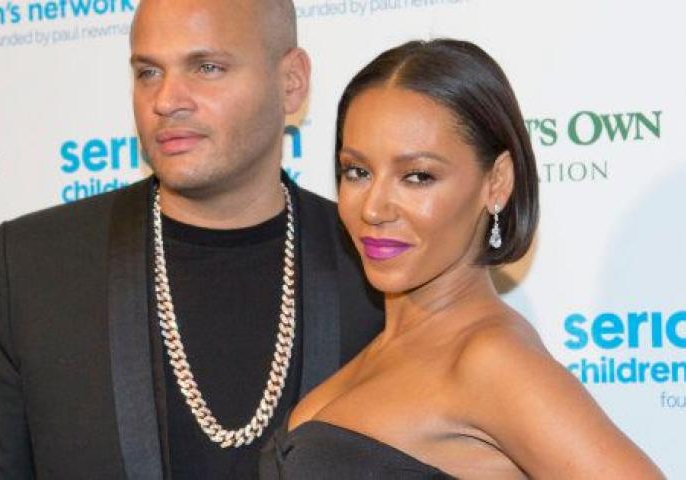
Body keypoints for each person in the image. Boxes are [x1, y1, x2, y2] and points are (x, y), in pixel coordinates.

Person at [0, 0, 383, 478]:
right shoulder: (34, 267)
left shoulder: (378, 272)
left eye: (207, 67)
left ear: (291, 82)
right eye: (148, 72)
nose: (166, 100)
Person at [260, 39, 665, 479]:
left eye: (418, 176)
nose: (373, 208)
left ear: (497, 182)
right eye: (357, 171)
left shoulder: (491, 360)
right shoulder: (379, 351)